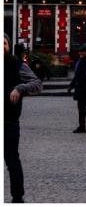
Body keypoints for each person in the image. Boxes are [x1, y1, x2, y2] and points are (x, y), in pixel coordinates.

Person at [5, 34, 43, 203]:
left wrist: (20, 88)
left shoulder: (18, 65)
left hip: (8, 121)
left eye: (4, 43)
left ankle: (17, 197)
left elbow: (37, 83)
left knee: (12, 160)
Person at [68, 50, 86, 133]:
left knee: (83, 108)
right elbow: (76, 75)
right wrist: (71, 86)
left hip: (84, 88)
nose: (81, 53)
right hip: (79, 87)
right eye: (80, 52)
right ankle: (82, 126)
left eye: (83, 52)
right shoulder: (79, 61)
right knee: (81, 108)